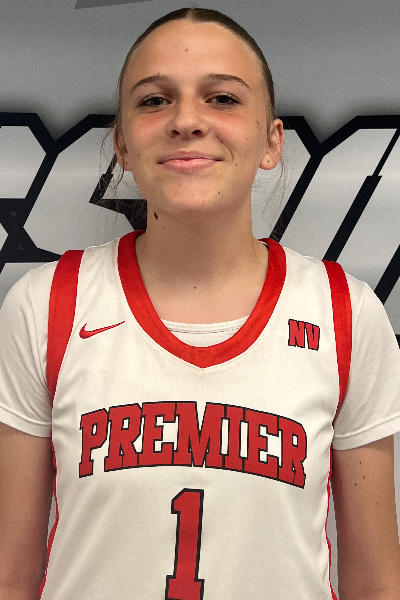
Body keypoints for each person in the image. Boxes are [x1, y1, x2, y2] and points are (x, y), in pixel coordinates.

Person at [0, 7, 400, 600]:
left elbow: (375, 582)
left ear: (271, 141)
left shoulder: (345, 313)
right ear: (122, 144)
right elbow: (10, 576)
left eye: (223, 99)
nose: (187, 120)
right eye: (154, 100)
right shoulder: (45, 305)